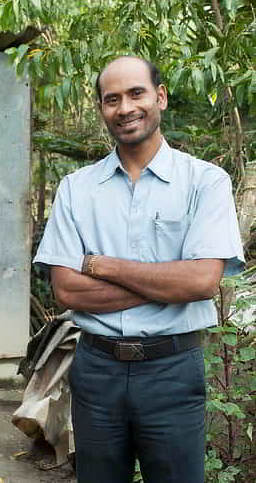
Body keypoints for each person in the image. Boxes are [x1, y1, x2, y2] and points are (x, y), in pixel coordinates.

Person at [33, 56, 245, 483]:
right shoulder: (78, 189)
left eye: (136, 94)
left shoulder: (205, 182)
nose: (125, 108)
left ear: (160, 97)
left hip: (172, 370)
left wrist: (104, 266)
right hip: (96, 371)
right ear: (102, 110)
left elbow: (204, 281)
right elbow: (68, 292)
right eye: (112, 99)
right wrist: (170, 282)